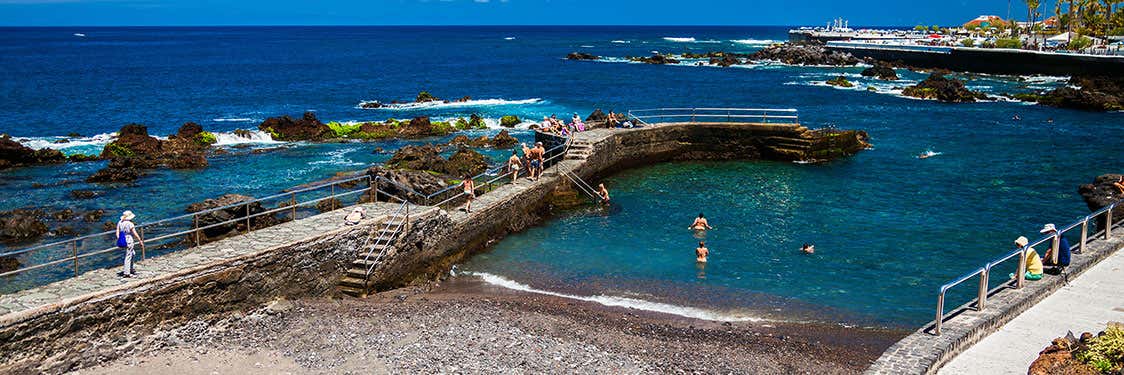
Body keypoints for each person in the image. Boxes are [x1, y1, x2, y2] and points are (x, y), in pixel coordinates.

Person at [115, 210, 141, 278]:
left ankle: (131, 269)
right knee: (128, 256)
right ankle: (127, 272)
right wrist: (140, 240)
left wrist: (119, 238)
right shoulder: (130, 224)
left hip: (123, 238)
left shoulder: (120, 222)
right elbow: (134, 233)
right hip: (129, 239)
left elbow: (117, 231)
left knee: (132, 253)